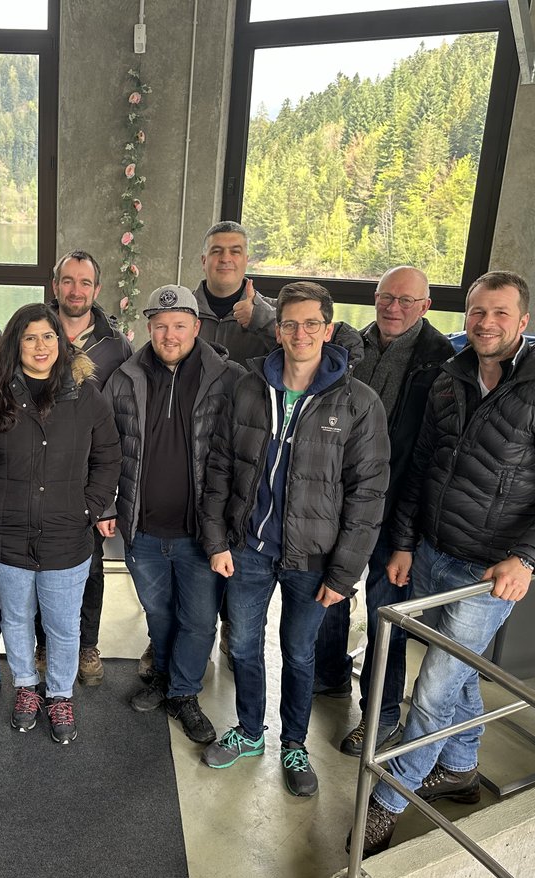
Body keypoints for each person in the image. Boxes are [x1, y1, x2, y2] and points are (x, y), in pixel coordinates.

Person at [354, 271, 535, 857]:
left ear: (522, 322)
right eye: (476, 313)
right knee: (458, 673)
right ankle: (462, 768)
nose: (485, 324)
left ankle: (389, 801)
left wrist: (528, 557)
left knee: (435, 688)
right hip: (434, 553)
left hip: (489, 573)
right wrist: (404, 542)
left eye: (499, 314)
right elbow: (423, 468)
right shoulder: (451, 378)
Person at [201, 281, 389, 796]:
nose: (300, 333)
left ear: (328, 330)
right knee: (241, 642)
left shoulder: (358, 403)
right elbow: (219, 467)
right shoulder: (247, 387)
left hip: (314, 556)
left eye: (312, 324)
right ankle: (248, 730)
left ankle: (295, 743)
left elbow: (368, 495)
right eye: (290, 323)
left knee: (299, 652)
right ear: (277, 328)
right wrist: (217, 540)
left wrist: (345, 572)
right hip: (249, 547)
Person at [0, 304, 121, 744]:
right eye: (30, 338)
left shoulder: (86, 396)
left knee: (64, 625)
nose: (40, 346)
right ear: (16, 344)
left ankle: (60, 694)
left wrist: (90, 508)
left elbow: (109, 457)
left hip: (67, 537)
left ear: (61, 344)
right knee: (17, 618)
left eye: (48, 337)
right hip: (3, 535)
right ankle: (27, 687)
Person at [311, 266, 455, 757]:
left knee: (384, 616)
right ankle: (327, 676)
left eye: (406, 300)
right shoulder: (351, 348)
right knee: (328, 592)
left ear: (426, 306)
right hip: (336, 502)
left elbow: (432, 456)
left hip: (395, 513)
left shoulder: (443, 362)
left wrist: (407, 537)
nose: (394, 308)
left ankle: (382, 714)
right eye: (386, 297)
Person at [102, 285, 243, 744]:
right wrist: (106, 505)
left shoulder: (228, 379)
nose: (169, 334)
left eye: (179, 325)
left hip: (201, 533)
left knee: (199, 618)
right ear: (149, 328)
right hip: (142, 528)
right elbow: (103, 449)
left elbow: (242, 455)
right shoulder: (125, 378)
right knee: (159, 613)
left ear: (196, 327)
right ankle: (162, 675)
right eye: (160, 326)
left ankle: (184, 693)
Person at [45, 250, 132, 687]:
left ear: (97, 290)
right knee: (41, 562)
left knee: (90, 565)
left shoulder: (117, 346)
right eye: (68, 281)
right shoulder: (34, 331)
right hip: (39, 469)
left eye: (84, 282)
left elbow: (126, 422)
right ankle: (46, 644)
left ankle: (86, 645)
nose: (75, 290)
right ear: (55, 284)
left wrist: (108, 496)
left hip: (90, 473)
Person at [193, 220, 277, 365]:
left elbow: (306, 350)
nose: (225, 259)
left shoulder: (274, 312)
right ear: (203, 261)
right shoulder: (182, 310)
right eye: (216, 251)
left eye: (235, 252)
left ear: (246, 261)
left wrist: (260, 318)